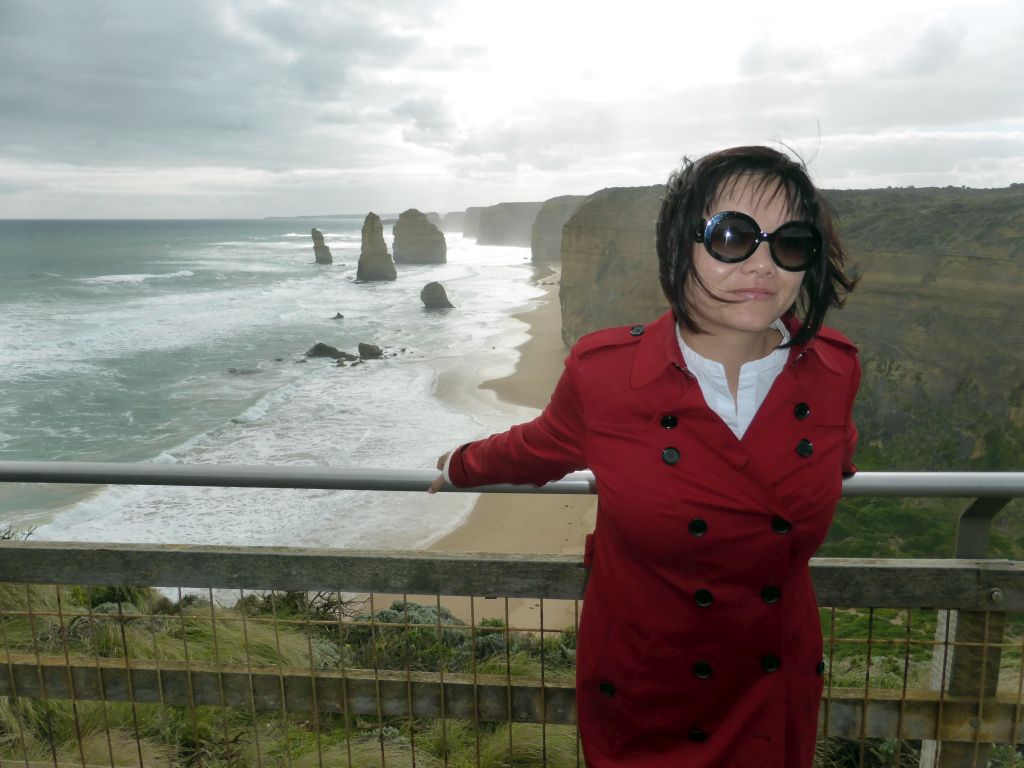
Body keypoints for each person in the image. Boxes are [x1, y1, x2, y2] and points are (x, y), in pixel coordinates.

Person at [429, 145, 860, 767]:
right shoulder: (607, 373)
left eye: (791, 242)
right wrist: (460, 465)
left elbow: (834, 453)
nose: (762, 263)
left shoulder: (834, 370)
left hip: (771, 676)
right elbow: (539, 448)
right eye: (732, 236)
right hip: (649, 682)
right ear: (680, 244)